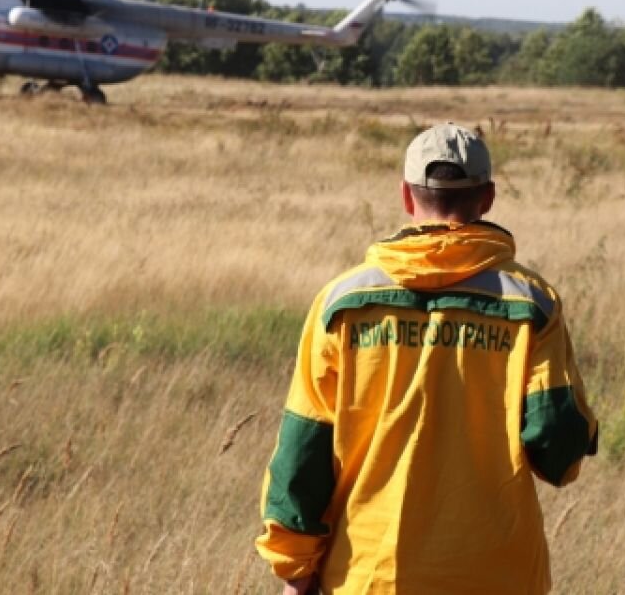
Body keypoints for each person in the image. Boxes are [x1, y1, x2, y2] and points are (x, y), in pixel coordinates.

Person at [255, 122, 598, 594]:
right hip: (497, 577)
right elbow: (559, 449)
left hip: (370, 574)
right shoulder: (531, 304)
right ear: (488, 198)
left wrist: (295, 567)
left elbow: (303, 450)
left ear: (406, 195)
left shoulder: (341, 302)